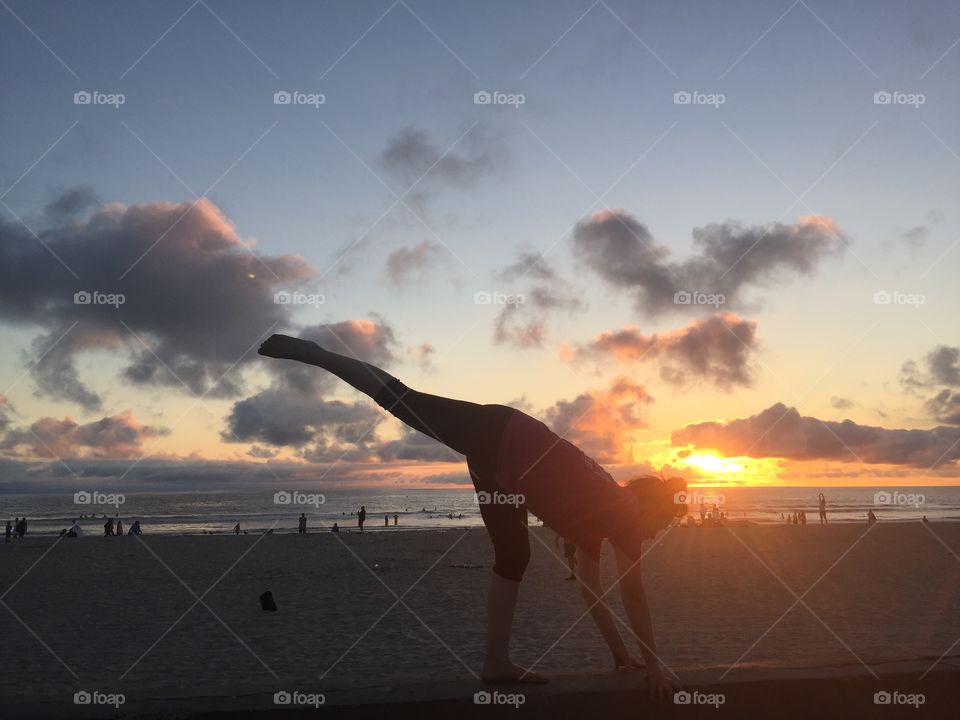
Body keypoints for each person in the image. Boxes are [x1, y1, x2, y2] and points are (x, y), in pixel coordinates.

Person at [259, 334, 684, 699]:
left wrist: (621, 656)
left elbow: (592, 594)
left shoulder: (600, 520)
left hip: (503, 461)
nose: (649, 537)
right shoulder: (625, 509)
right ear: (650, 508)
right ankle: (316, 354)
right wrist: (655, 667)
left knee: (514, 555)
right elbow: (634, 595)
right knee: (401, 400)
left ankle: (496, 662)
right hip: (504, 435)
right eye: (659, 527)